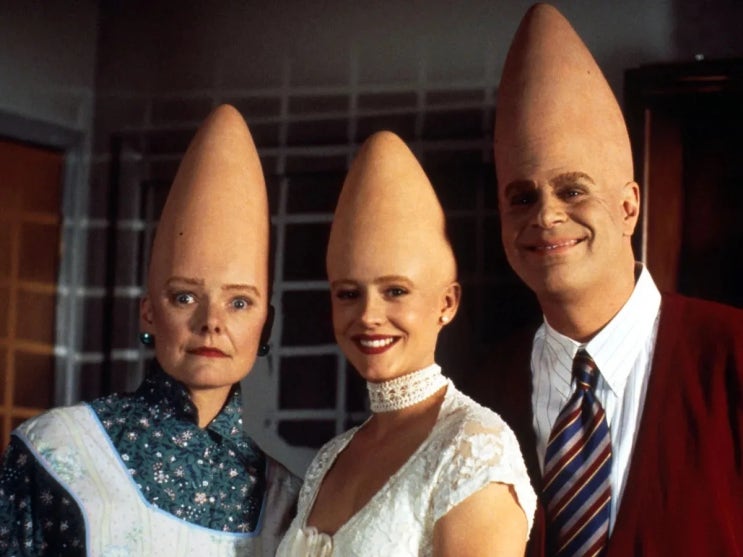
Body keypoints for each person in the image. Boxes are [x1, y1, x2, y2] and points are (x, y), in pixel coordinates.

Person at [480, 4, 743, 556]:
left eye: (572, 190)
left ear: (628, 207)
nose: (545, 215)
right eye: (522, 197)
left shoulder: (734, 356)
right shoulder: (478, 392)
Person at [0, 104, 300, 556]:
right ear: (148, 313)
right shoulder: (56, 450)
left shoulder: (287, 500)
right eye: (185, 297)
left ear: (266, 324)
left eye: (239, 303)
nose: (211, 322)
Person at [276, 131, 536, 557]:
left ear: (446, 303)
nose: (368, 315)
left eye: (395, 291)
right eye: (348, 294)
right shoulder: (331, 458)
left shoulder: (472, 447)